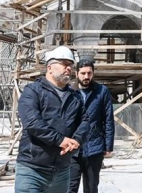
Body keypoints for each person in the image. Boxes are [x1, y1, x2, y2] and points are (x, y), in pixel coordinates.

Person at [15, 46, 89, 193]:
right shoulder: (33, 91)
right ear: (49, 67)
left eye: (71, 65)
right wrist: (60, 140)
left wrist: (77, 140)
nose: (68, 68)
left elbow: (85, 121)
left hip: (62, 170)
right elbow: (32, 122)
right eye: (64, 64)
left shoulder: (75, 96)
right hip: (33, 169)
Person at [69, 59, 115, 193]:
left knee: (91, 187)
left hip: (94, 146)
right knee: (70, 186)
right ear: (76, 73)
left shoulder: (101, 91)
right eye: (83, 73)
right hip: (73, 147)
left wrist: (108, 145)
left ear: (93, 73)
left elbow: (108, 119)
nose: (86, 76)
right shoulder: (70, 91)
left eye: (89, 73)